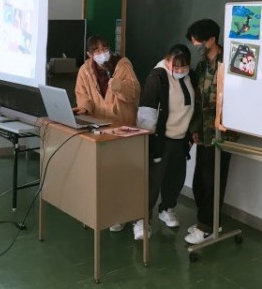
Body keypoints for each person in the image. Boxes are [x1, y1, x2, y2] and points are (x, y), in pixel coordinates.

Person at [74, 35, 141, 232]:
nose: (102, 53)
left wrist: (119, 86)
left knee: (122, 173)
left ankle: (123, 215)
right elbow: (83, 96)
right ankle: (104, 212)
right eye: (96, 50)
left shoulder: (122, 64)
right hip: (99, 127)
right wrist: (84, 108)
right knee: (103, 173)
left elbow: (134, 92)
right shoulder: (85, 70)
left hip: (122, 126)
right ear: (89, 54)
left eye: (104, 48)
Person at [184, 19, 239, 245]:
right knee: (200, 180)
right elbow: (197, 101)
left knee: (214, 181)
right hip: (204, 133)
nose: (195, 45)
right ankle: (206, 221)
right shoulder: (201, 65)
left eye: (199, 41)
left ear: (212, 39)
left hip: (222, 134)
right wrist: (194, 128)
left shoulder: (232, 62)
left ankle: (208, 226)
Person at [133, 44, 195, 241]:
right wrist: (148, 139)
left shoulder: (191, 76)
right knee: (152, 182)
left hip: (180, 139)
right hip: (160, 139)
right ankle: (141, 220)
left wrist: (192, 133)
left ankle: (166, 208)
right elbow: (147, 111)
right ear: (167, 61)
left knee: (175, 178)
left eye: (184, 66)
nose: (180, 70)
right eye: (175, 66)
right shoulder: (157, 77)